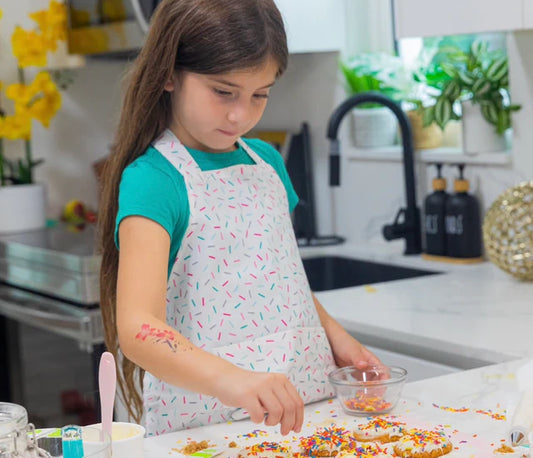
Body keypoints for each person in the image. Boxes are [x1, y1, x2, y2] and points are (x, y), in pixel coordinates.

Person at [98, 0, 380, 438]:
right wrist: (236, 381)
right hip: (201, 428)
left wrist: (337, 337)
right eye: (223, 92)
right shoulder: (154, 180)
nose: (240, 115)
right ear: (169, 73)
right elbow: (138, 328)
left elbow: (282, 282)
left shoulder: (267, 162)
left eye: (260, 95)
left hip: (305, 411)